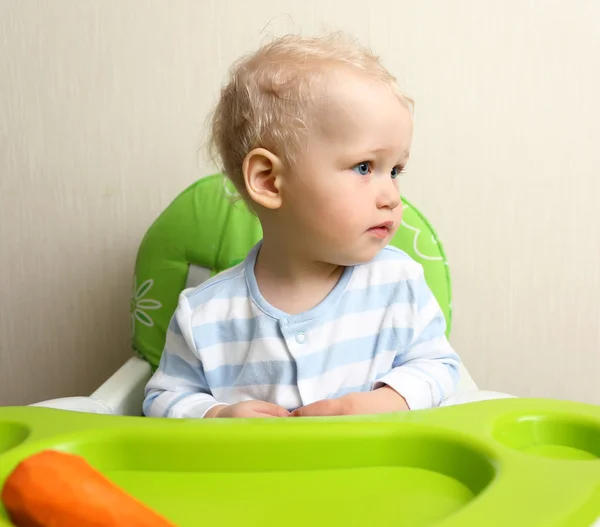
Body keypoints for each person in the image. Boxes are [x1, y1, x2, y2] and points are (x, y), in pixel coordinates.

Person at [143, 33, 461, 419]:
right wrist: (217, 416)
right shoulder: (206, 314)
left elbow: (440, 367)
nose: (392, 195)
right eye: (365, 167)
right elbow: (163, 397)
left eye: (395, 170)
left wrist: (382, 402)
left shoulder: (398, 283)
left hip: (371, 474)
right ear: (269, 180)